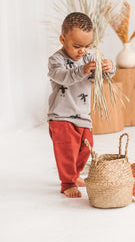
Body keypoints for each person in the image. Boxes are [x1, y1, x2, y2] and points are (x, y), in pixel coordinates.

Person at [47, 12, 115, 198]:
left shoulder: (88, 58)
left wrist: (108, 67)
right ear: (63, 39)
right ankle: (67, 182)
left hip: (83, 115)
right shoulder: (56, 60)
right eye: (77, 46)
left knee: (86, 148)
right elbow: (63, 77)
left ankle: (75, 175)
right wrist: (81, 70)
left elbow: (97, 75)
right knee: (67, 150)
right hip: (61, 116)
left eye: (87, 46)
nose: (82, 51)